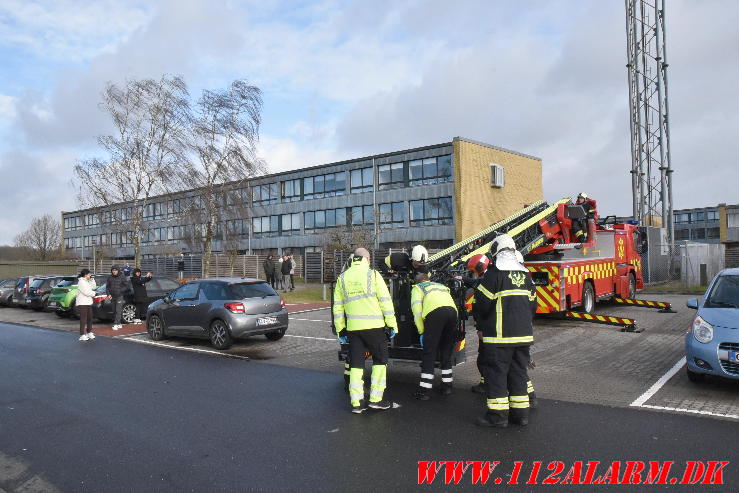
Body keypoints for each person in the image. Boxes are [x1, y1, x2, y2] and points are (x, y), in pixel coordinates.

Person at [472, 234, 537, 428]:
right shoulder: (526, 276)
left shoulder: (494, 275)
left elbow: (481, 305)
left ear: (496, 252)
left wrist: (482, 324)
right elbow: (533, 306)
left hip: (499, 337)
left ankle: (497, 416)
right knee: (518, 374)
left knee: (496, 374)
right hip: (523, 337)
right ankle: (520, 416)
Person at [333, 247, 398, 413]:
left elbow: (338, 308)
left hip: (354, 329)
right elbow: (385, 301)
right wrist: (392, 325)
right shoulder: (373, 275)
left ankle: (357, 403)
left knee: (356, 364)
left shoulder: (342, 278)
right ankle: (376, 400)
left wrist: (341, 331)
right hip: (374, 327)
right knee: (380, 361)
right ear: (367, 259)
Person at [411, 271, 458, 400]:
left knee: (429, 352)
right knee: (445, 351)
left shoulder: (417, 288)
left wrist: (422, 332)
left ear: (418, 282)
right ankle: (447, 386)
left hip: (435, 314)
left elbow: (417, 312)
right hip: (452, 313)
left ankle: (424, 390)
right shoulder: (441, 286)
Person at [76, 269, 97, 341]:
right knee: (83, 319)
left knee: (90, 318)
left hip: (88, 302)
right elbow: (86, 292)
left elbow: (93, 287)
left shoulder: (87, 281)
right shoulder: (81, 282)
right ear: (85, 275)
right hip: (82, 303)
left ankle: (89, 332)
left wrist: (92, 280)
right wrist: (94, 293)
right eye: (89, 274)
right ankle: (82, 334)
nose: (90, 275)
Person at [106, 265, 128, 330]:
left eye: (115, 270)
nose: (114, 271)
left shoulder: (122, 276)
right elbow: (107, 287)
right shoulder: (109, 277)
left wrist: (120, 291)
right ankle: (119, 323)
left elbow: (126, 286)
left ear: (118, 271)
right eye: (113, 270)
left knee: (118, 310)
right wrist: (108, 294)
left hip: (119, 296)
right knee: (114, 310)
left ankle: (115, 324)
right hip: (112, 296)